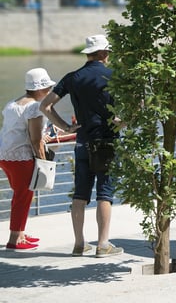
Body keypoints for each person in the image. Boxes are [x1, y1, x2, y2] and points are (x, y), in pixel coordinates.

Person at [40, 34, 123, 257]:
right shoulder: (114, 76)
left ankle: (79, 244)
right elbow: (138, 104)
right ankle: (103, 244)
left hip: (82, 141)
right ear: (104, 53)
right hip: (107, 140)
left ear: (88, 54)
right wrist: (123, 122)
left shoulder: (72, 77)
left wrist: (66, 127)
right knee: (105, 192)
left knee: (80, 193)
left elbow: (45, 106)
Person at [0, 68, 55, 251]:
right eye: (47, 87)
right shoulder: (34, 107)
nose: (49, 91)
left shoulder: (12, 104)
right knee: (23, 197)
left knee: (20, 195)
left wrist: (40, 137)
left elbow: (19, 131)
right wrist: (43, 162)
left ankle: (20, 234)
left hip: (5, 156)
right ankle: (14, 239)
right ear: (39, 89)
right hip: (21, 157)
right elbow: (34, 139)